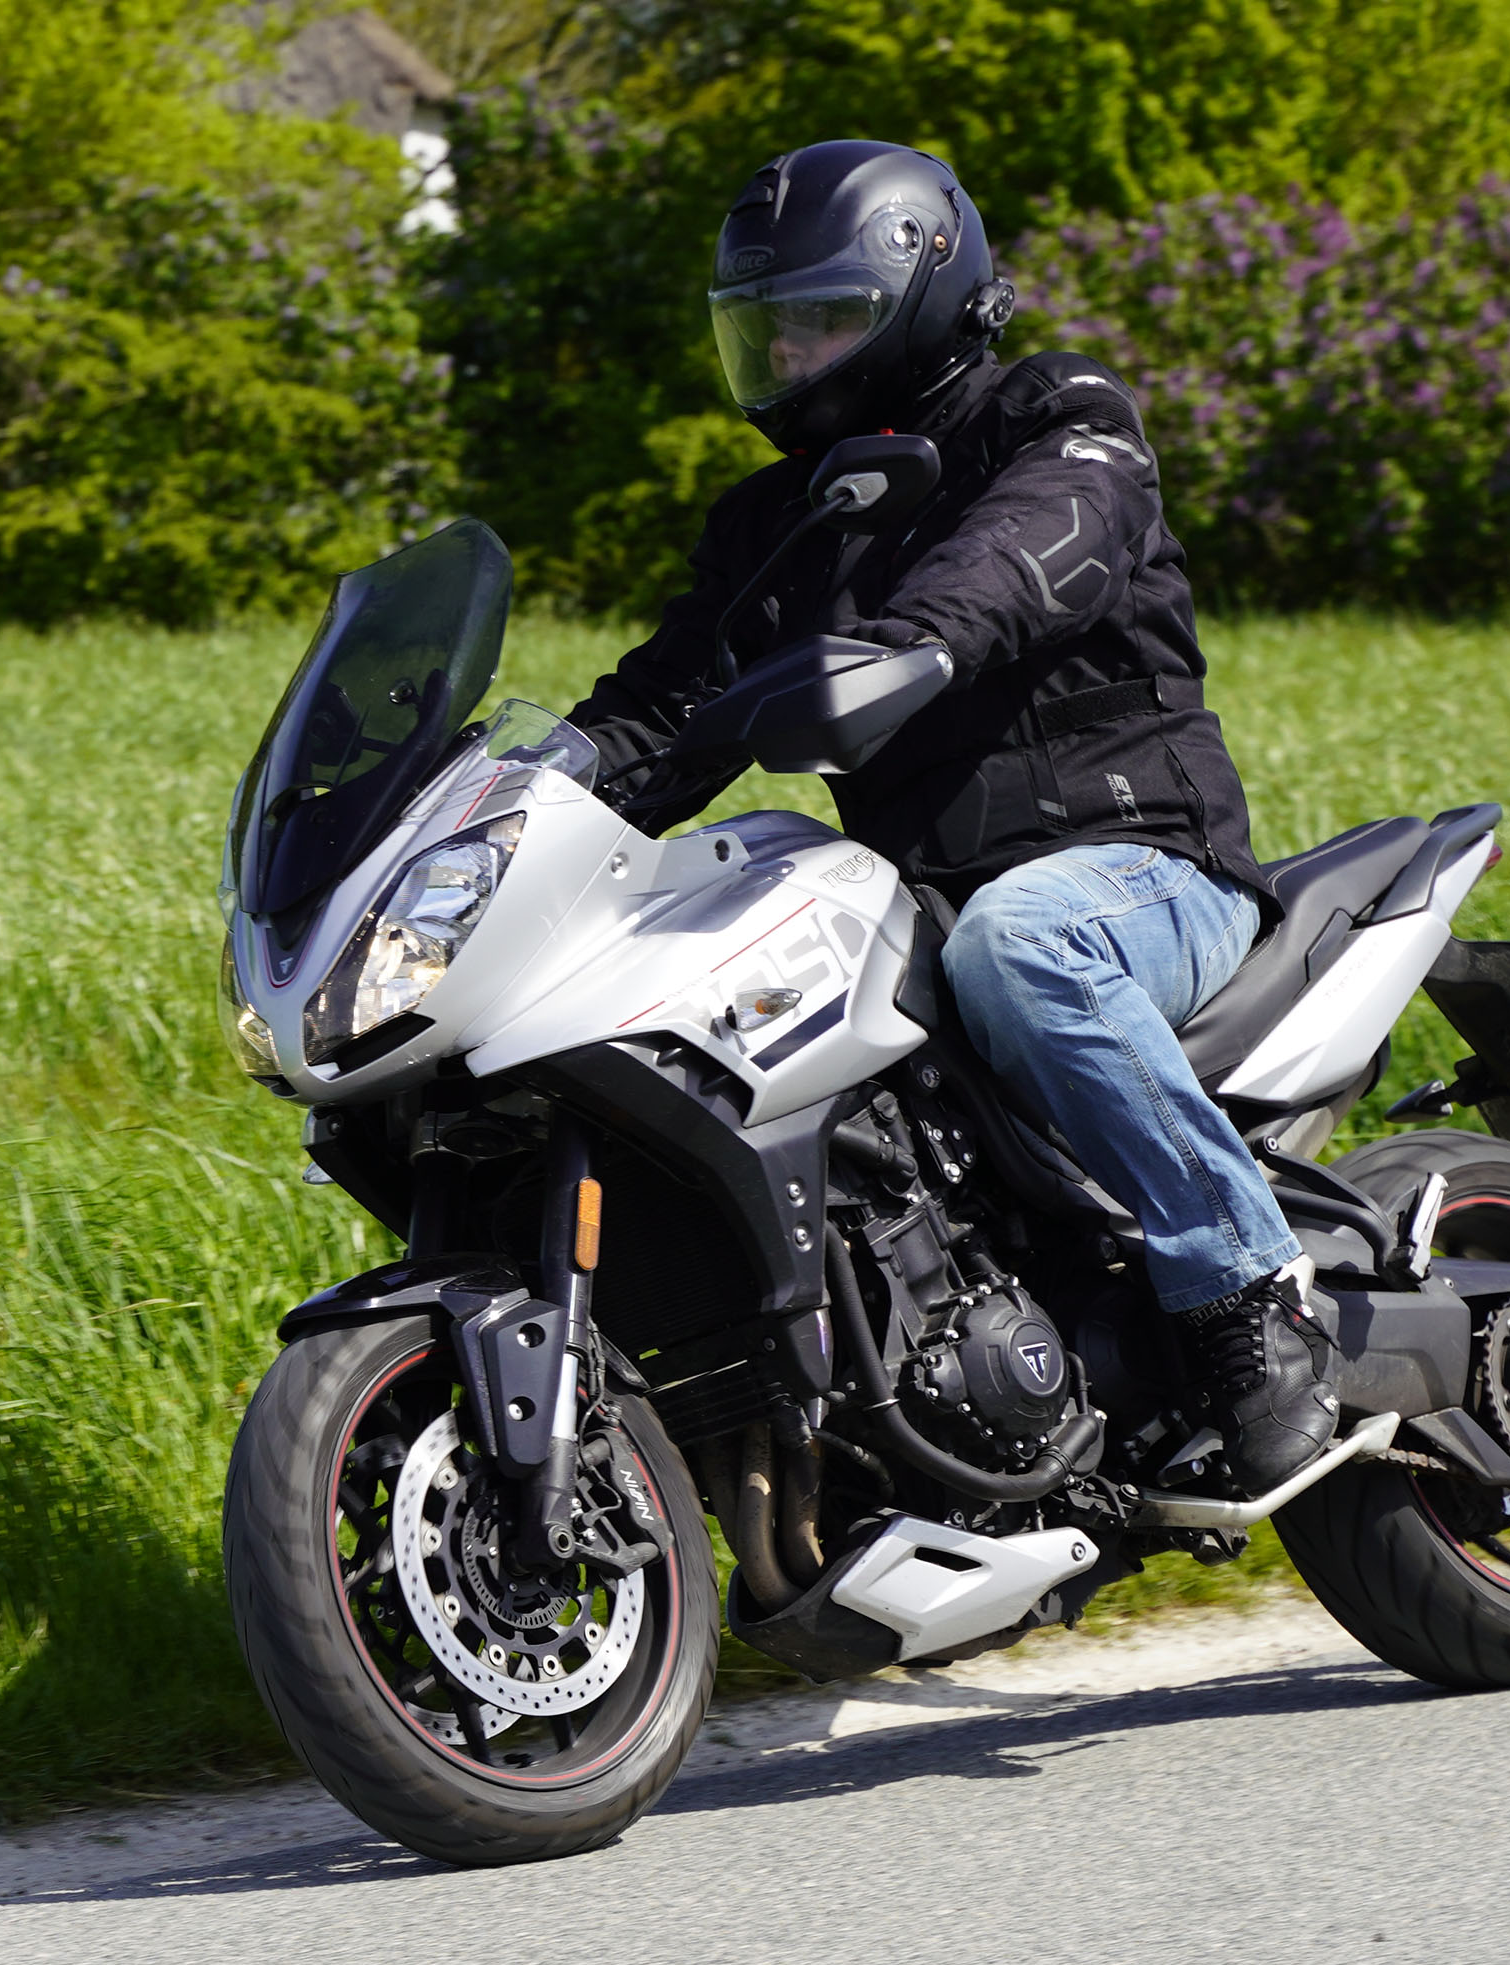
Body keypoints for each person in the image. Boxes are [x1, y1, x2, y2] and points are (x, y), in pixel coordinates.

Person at [565, 139, 1335, 1494]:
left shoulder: (1055, 415)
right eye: (766, 330)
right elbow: (666, 701)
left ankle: (1249, 1291)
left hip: (1142, 868)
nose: (790, 357)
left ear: (922, 291)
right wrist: (523, 790)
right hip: (923, 899)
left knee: (1022, 943)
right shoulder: (778, 522)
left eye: (823, 319)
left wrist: (917, 643)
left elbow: (1035, 546)